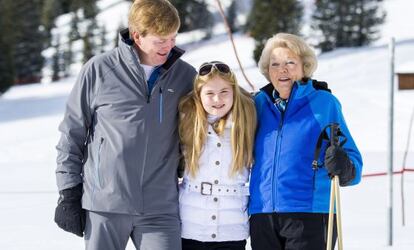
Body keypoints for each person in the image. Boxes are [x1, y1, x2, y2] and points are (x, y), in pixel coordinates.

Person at [53, 0, 196, 249]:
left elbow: (219, 104)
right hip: (105, 204)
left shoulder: (185, 76)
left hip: (160, 207)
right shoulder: (99, 70)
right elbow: (71, 134)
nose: (170, 46)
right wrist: (68, 192)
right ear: (137, 35)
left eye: (173, 38)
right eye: (161, 40)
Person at [248, 33, 363, 250]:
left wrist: (344, 165)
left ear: (304, 66)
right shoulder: (258, 104)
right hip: (262, 214)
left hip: (309, 214)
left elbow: (354, 164)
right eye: (275, 64)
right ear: (267, 70)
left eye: (290, 62)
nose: (282, 69)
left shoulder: (323, 103)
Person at [177, 61, 257, 250]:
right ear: (198, 95)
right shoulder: (186, 122)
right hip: (190, 227)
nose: (217, 99)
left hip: (232, 229)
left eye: (224, 92)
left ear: (234, 92)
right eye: (209, 93)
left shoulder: (247, 121)